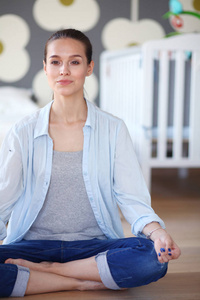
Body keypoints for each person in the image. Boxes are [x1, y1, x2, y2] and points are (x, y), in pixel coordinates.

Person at [0, 28, 181, 297]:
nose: (64, 70)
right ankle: (78, 280)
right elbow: (5, 196)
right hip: (32, 245)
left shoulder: (114, 129)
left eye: (74, 62)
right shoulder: (22, 131)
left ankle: (47, 273)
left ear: (89, 68)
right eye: (55, 62)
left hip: (94, 245)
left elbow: (131, 197)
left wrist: (157, 233)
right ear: (45, 67)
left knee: (151, 258)